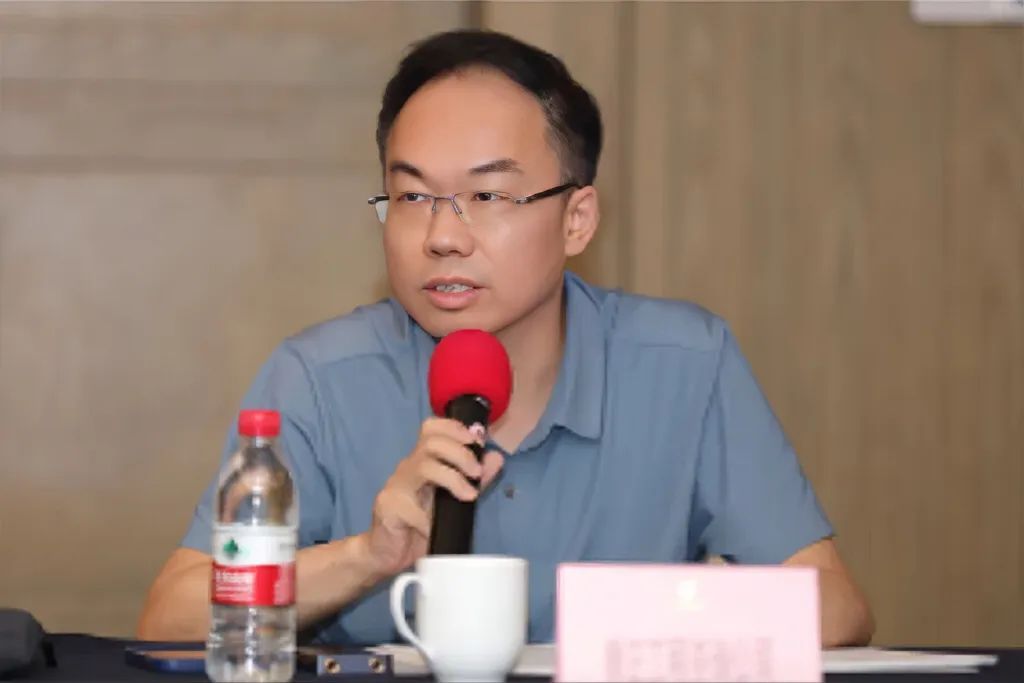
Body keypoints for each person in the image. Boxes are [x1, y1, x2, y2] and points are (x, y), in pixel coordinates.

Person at [138, 29, 874, 647]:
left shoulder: (685, 364)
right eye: (413, 195)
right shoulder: (321, 379)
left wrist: (658, 612)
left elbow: (837, 610)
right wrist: (366, 557)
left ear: (577, 219)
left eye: (487, 195)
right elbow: (170, 616)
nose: (442, 236)